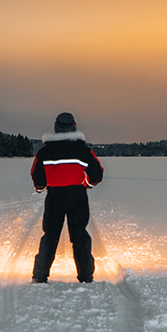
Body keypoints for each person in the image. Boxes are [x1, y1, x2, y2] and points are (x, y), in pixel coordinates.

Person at [29, 112, 104, 283]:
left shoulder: (44, 152)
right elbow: (97, 173)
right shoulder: (83, 151)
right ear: (73, 126)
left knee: (50, 235)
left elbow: (37, 176)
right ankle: (85, 276)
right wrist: (87, 185)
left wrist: (41, 187)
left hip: (54, 196)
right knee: (79, 235)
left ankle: (40, 275)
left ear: (56, 128)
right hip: (77, 196)